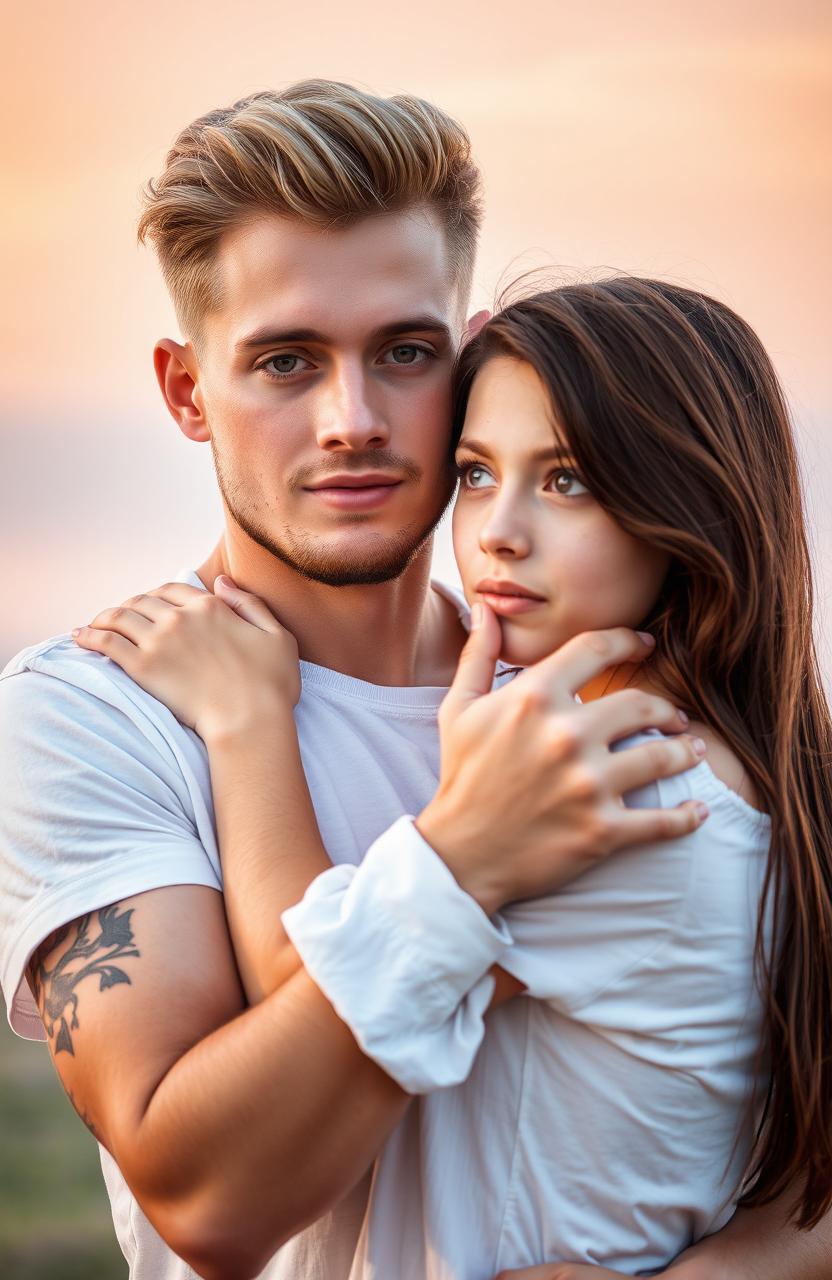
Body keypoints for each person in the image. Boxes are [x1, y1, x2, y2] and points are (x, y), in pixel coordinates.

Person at [0, 81, 827, 1280]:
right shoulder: (96, 711)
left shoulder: (617, 724)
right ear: (188, 391)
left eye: (405, 352)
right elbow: (212, 1200)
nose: (354, 420)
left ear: (473, 354)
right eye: (285, 360)